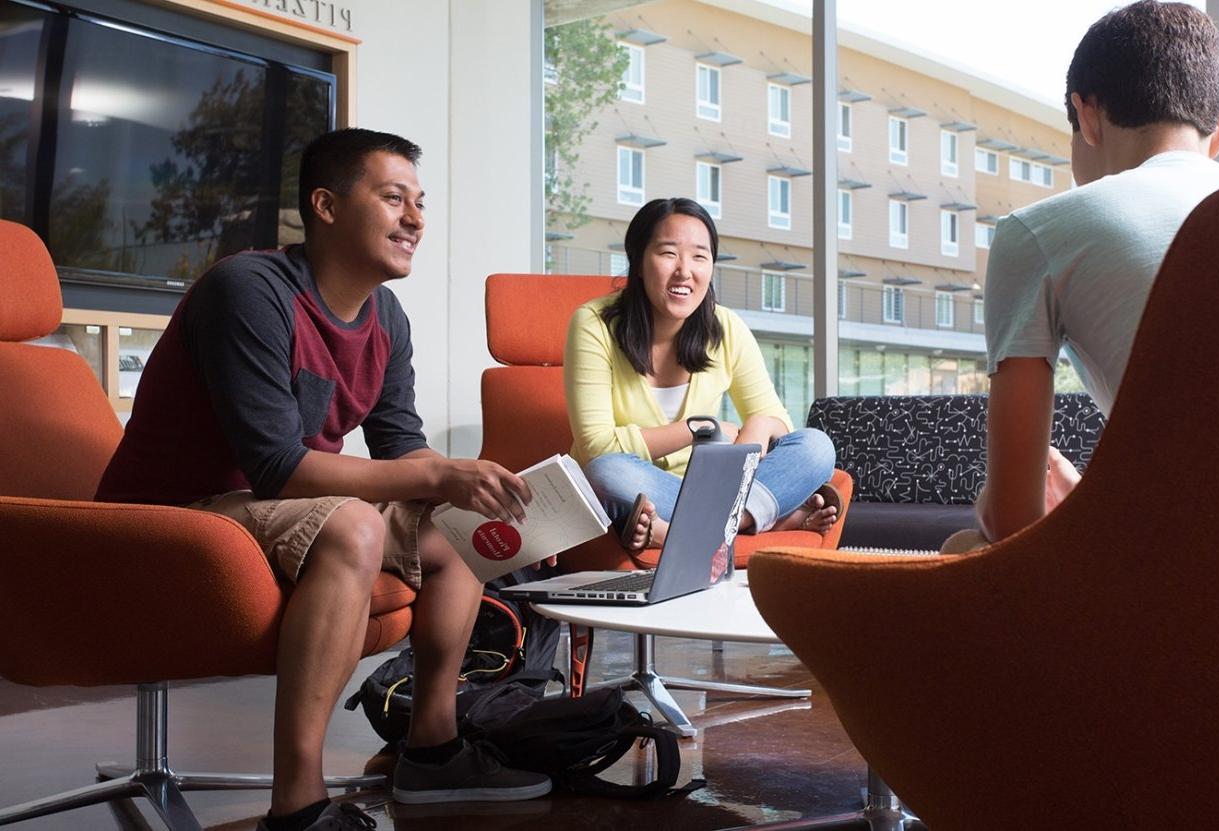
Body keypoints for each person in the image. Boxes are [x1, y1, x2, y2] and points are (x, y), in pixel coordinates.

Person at [96, 128, 551, 831]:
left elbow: (402, 448)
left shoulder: (387, 318)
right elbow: (276, 463)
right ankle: (298, 804)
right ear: (327, 206)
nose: (416, 219)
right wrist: (432, 471)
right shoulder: (248, 290)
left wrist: (495, 502)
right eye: (393, 197)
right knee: (357, 522)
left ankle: (431, 747)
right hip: (171, 514)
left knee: (463, 529)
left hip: (266, 502)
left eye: (420, 203)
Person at [943, 0, 1219, 553]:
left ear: (1088, 115)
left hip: (1193, 578)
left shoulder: (1040, 231)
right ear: (1218, 134)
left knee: (966, 550)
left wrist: (996, 506)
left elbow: (1013, 523)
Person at [564, 197, 838, 554]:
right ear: (639, 261)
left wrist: (756, 428)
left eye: (699, 256)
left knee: (817, 446)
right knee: (606, 472)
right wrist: (703, 429)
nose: (684, 271)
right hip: (639, 491)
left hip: (708, 485)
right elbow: (596, 448)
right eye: (668, 253)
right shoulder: (594, 324)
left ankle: (690, 530)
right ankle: (757, 519)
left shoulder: (726, 328)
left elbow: (778, 426)